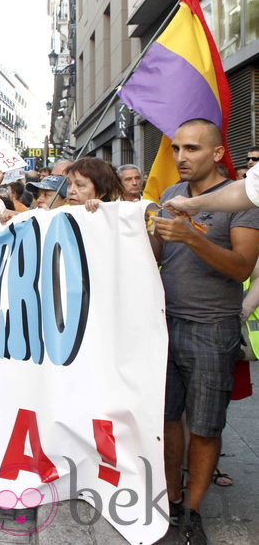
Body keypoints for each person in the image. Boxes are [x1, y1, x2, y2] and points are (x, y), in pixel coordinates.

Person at [146, 119, 259, 544]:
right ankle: (172, 500)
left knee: (207, 426)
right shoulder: (172, 194)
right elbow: (158, 253)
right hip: (164, 323)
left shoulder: (243, 200)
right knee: (167, 417)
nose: (180, 158)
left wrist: (192, 239)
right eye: (176, 149)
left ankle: (193, 512)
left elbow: (241, 267)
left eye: (191, 149)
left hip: (212, 326)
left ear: (215, 153)